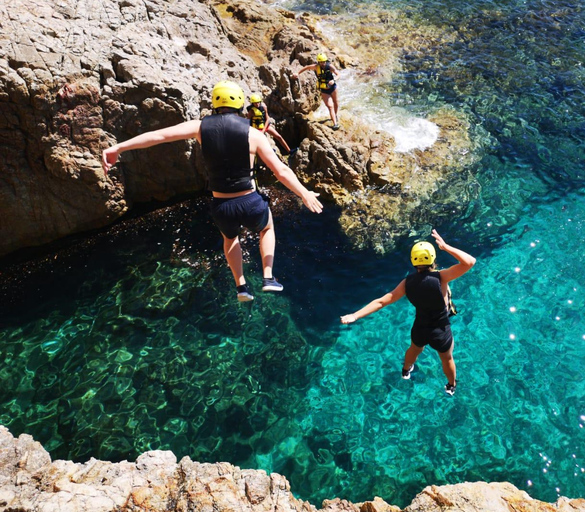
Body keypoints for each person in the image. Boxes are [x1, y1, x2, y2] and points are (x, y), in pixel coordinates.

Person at [102, 80, 323, 301]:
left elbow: (159, 136)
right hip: (251, 201)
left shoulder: (200, 127)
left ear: (215, 103)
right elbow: (281, 171)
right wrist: (304, 193)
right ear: (239, 103)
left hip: (222, 206)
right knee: (266, 229)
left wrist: (119, 147)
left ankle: (241, 287)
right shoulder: (253, 134)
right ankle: (268, 277)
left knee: (230, 239)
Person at [340, 230, 475, 396]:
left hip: (420, 328)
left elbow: (381, 302)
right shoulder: (442, 277)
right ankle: (451, 385)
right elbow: (469, 262)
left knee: (414, 348)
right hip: (441, 330)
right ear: (433, 258)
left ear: (413, 260)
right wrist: (445, 247)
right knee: (446, 358)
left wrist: (355, 315)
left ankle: (405, 370)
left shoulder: (406, 283)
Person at [292, 53, 341, 130]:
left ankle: (335, 115)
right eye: (321, 62)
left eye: (324, 62)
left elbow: (338, 74)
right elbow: (307, 67)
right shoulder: (316, 67)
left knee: (336, 102)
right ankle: (335, 124)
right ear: (318, 62)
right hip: (324, 90)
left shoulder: (330, 66)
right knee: (330, 106)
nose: (323, 63)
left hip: (332, 87)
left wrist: (333, 80)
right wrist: (297, 73)